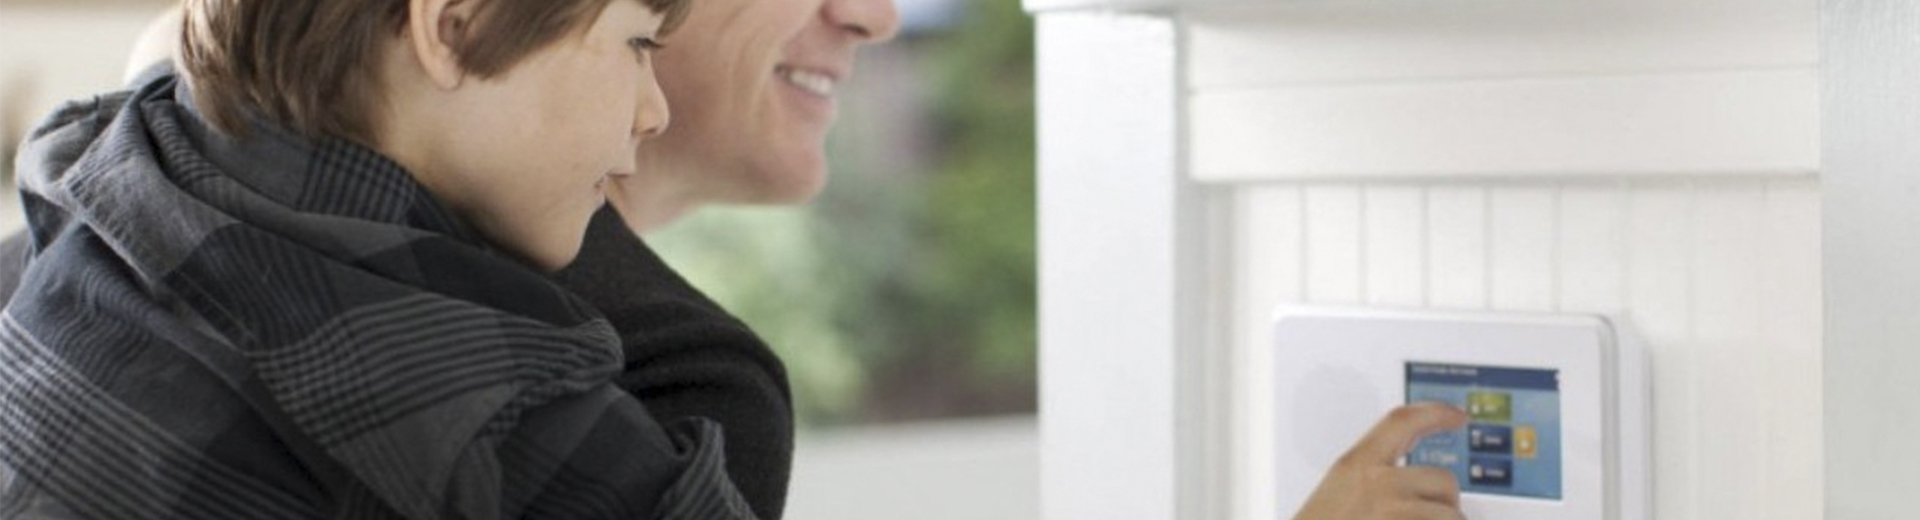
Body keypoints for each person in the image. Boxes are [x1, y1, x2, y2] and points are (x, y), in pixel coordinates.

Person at [1, 2, 1469, 520]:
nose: (879, 16)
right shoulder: (487, 398)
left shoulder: (102, 189)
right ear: (449, 24)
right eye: (638, 37)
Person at [0, 0, 777, 518]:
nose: (654, 112)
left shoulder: (79, 212)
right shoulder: (504, 415)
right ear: (455, 26)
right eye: (638, 43)